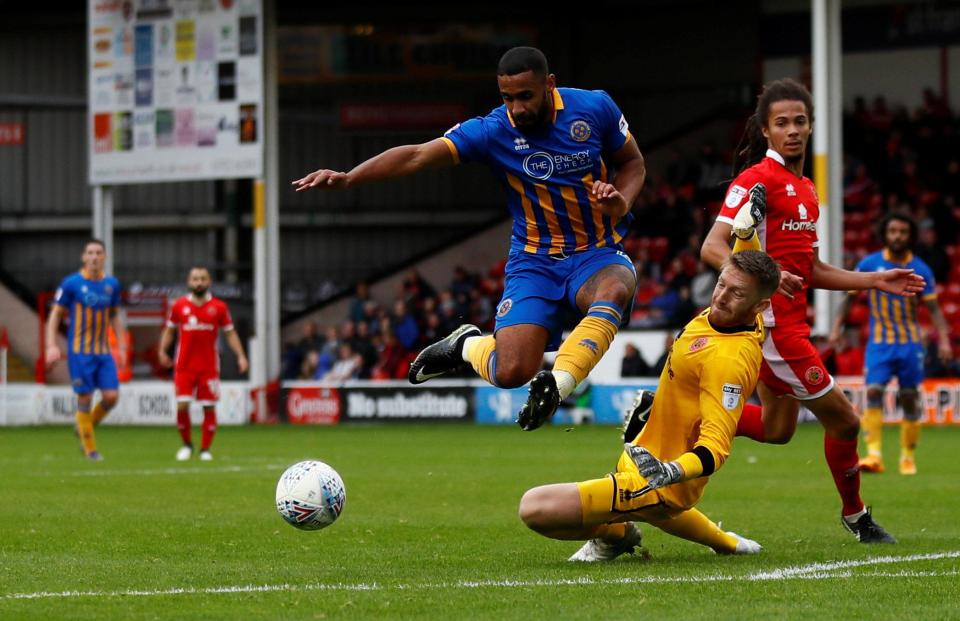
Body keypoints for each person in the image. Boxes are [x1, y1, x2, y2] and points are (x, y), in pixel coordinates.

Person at [294, 46, 645, 428]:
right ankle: (464, 344)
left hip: (596, 251)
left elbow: (632, 162)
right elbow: (416, 155)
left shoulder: (594, 108)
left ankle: (558, 385)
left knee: (615, 288)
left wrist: (621, 201)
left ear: (549, 85)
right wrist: (350, 178)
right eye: (507, 98)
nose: (516, 108)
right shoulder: (493, 130)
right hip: (535, 262)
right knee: (511, 371)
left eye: (525, 96)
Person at [698, 78, 924, 543]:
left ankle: (682, 417)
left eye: (800, 121)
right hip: (778, 327)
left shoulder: (807, 189)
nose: (793, 130)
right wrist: (766, 275)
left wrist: (875, 279)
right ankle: (857, 516)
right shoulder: (755, 179)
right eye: (782, 123)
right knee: (846, 420)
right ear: (765, 130)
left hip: (789, 321)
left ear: (812, 125)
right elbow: (712, 247)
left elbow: (813, 268)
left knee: (779, 429)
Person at [518, 251, 778, 561]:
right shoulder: (735, 315)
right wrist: (747, 227)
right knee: (652, 509)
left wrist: (670, 471)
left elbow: (716, 448)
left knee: (534, 508)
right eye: (721, 284)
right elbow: (749, 266)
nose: (721, 297)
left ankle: (615, 534)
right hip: (645, 452)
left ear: (760, 306)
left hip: (663, 481)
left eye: (736, 293)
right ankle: (727, 543)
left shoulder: (729, 362)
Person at [830, 212, 952, 475]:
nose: (897, 236)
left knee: (909, 397)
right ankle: (874, 455)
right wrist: (836, 327)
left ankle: (907, 457)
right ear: (885, 233)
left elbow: (934, 311)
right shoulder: (869, 263)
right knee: (873, 391)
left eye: (903, 232)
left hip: (910, 344)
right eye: (893, 231)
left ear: (910, 236)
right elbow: (849, 299)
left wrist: (943, 340)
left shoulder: (920, 269)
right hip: (879, 344)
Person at [45, 239, 127, 460]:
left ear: (105, 257)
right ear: (83, 257)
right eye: (90, 253)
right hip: (80, 352)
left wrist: (121, 346)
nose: (94, 257)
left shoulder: (112, 284)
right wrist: (51, 345)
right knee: (85, 397)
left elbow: (114, 316)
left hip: (103, 351)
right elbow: (55, 315)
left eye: (99, 253)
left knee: (111, 397)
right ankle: (90, 449)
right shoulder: (71, 283)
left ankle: (84, 426)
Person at [158, 267, 248, 461]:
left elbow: (230, 333)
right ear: (189, 282)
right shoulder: (179, 306)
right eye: (195, 279)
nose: (198, 282)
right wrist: (162, 350)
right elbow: (170, 330)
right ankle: (187, 445)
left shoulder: (219, 307)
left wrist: (241, 355)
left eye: (202, 279)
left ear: (209, 282)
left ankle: (205, 449)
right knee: (183, 405)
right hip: (184, 365)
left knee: (209, 407)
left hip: (209, 367)